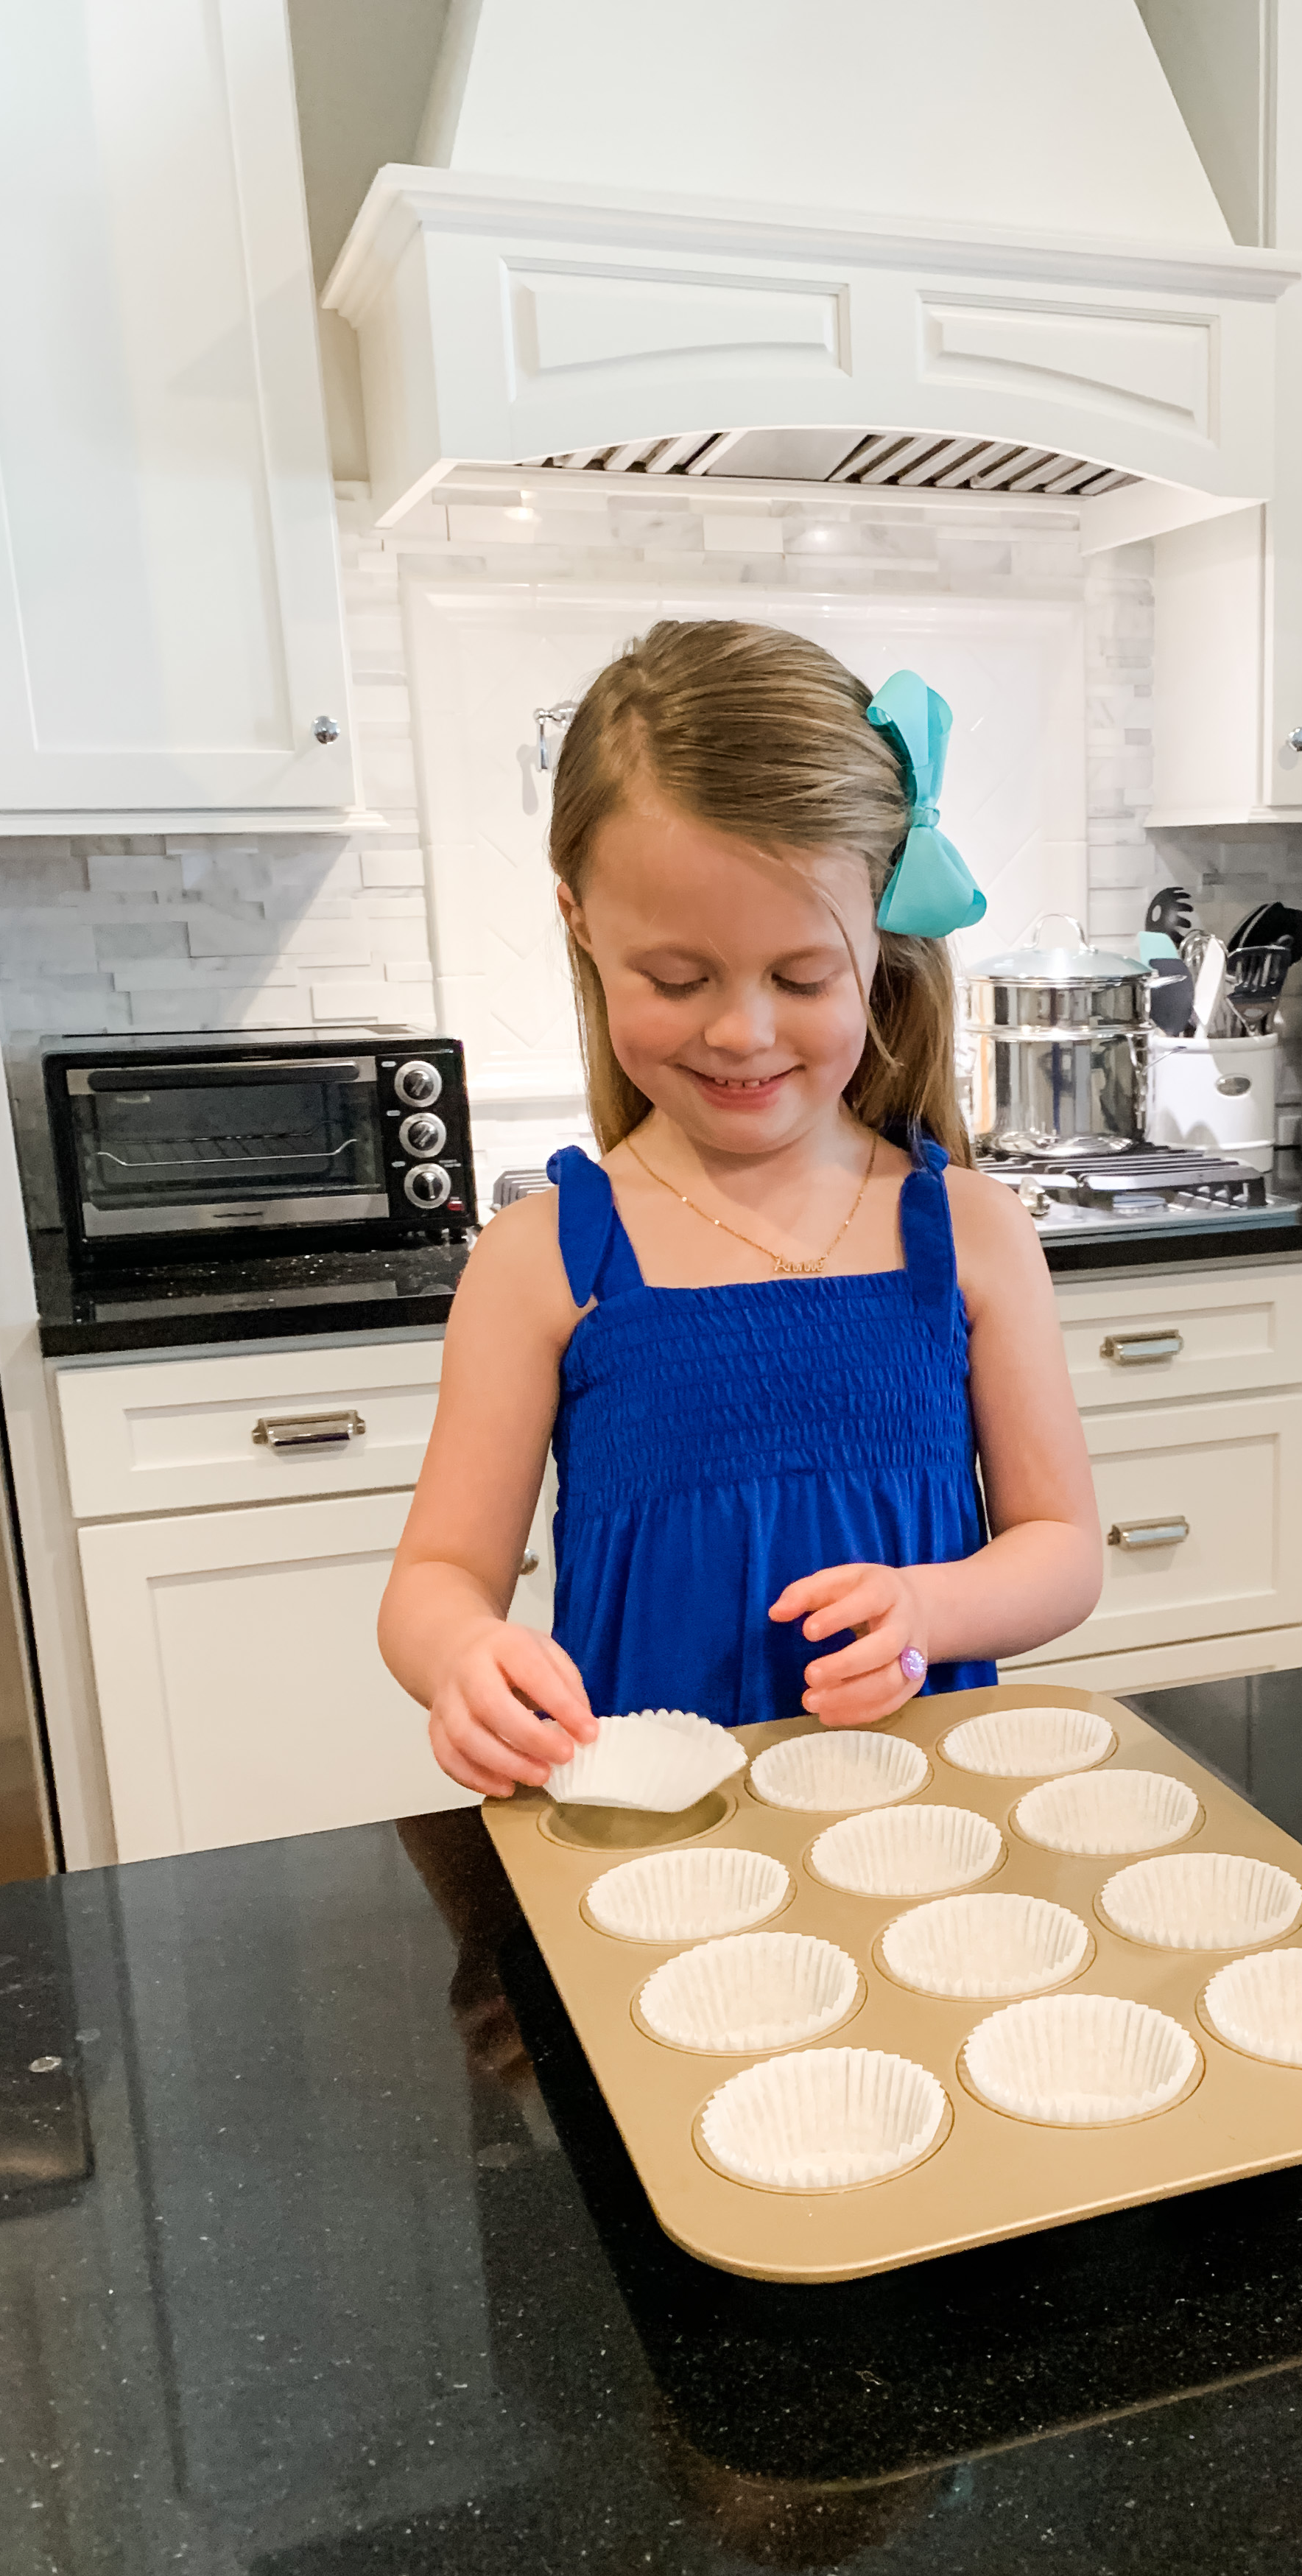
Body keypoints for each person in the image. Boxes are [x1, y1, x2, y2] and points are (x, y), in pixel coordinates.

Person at [379, 620, 1102, 1797]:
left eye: (801, 977)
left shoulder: (970, 1233)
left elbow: (1063, 1554)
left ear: (881, 932)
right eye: (677, 979)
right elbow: (437, 1577)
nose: (742, 1032)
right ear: (578, 922)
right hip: (653, 1840)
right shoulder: (543, 1259)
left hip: (921, 1828)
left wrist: (929, 1602)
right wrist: (464, 1654)